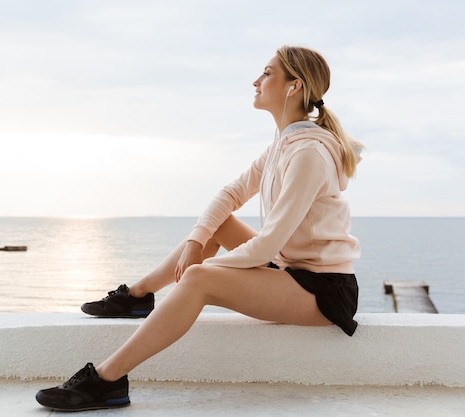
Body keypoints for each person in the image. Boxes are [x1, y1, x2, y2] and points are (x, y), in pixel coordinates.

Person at [35, 45, 363, 411]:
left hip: (322, 291)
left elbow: (268, 245)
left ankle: (107, 381)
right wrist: (196, 240)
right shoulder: (282, 146)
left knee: (198, 280)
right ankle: (139, 295)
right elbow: (230, 194)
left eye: (267, 73)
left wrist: (201, 271)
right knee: (214, 226)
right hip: (291, 271)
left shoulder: (309, 154)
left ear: (294, 86)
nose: (256, 81)